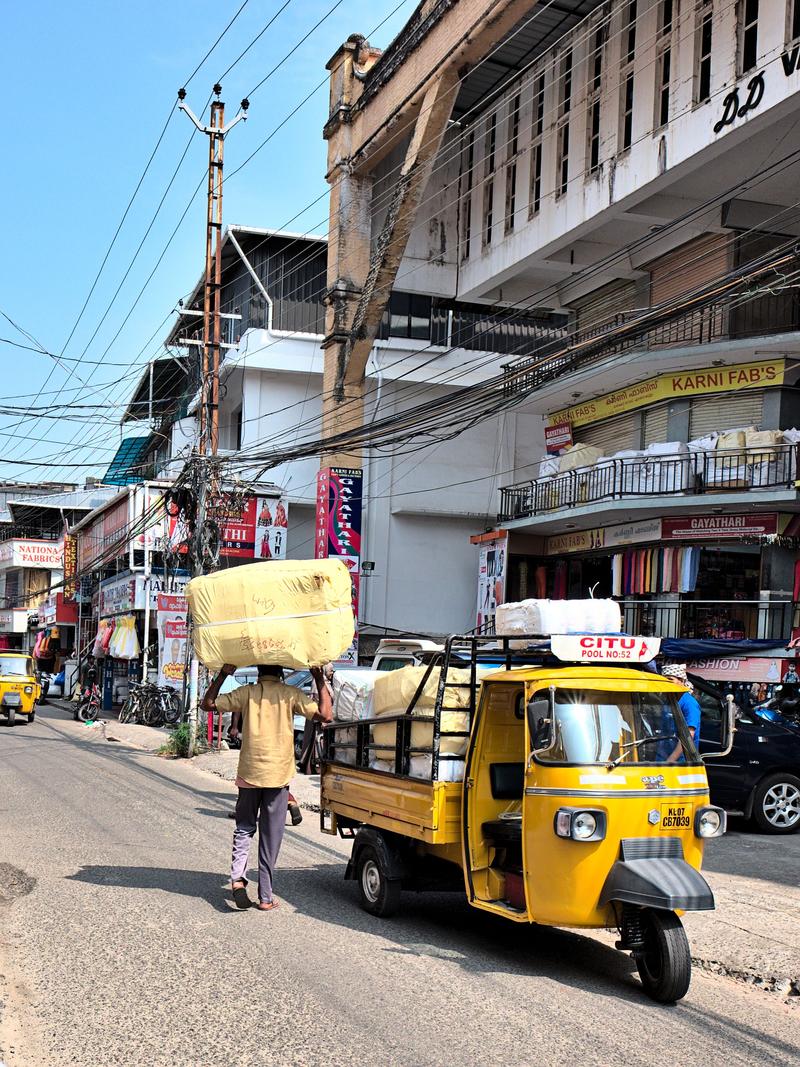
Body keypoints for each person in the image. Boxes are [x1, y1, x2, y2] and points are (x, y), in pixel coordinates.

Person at [202, 663, 332, 911]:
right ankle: (265, 897)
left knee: (243, 828)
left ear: (259, 672)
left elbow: (207, 704)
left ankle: (238, 880)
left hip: (249, 774)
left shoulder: (247, 692)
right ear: (281, 673)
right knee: (270, 838)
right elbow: (326, 715)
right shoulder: (290, 694)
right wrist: (318, 678)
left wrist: (223, 674)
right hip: (278, 776)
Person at [661, 663, 701, 763]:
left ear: (681, 681)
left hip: (681, 760)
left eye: (670, 679)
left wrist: (670, 760)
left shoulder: (689, 703)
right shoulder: (669, 700)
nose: (666, 683)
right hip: (663, 757)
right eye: (664, 680)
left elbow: (688, 736)